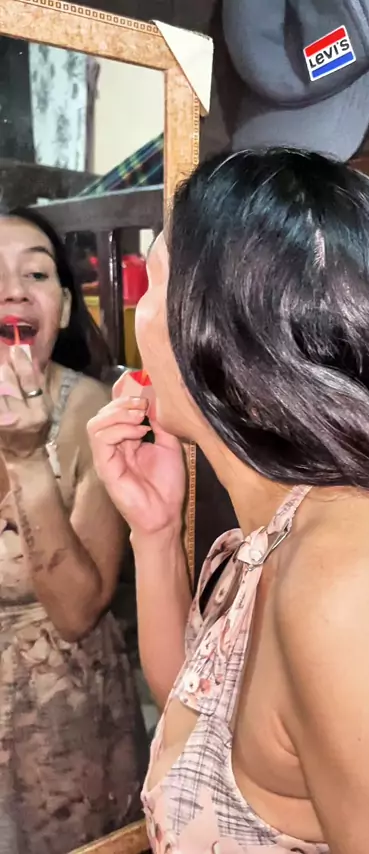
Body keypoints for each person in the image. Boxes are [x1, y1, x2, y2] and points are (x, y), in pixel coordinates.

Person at [88, 149, 369, 854]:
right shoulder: (268, 537)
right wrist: (154, 531)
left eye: (155, 279)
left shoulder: (350, 576)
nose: (140, 312)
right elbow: (201, 727)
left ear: (216, 324)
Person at [0, 206, 148, 854]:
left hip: (59, 722)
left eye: (36, 274)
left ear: (62, 307)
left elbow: (78, 611)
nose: (14, 291)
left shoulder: (94, 413)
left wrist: (26, 457)